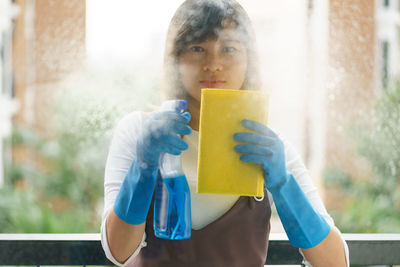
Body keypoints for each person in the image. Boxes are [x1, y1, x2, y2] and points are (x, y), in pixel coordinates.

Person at [101, 0, 349, 266]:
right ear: (175, 58)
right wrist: (143, 166)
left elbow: (335, 262)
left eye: (228, 48)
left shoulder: (267, 147)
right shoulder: (139, 132)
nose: (213, 64)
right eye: (197, 48)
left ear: (249, 59)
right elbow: (118, 252)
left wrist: (282, 183)